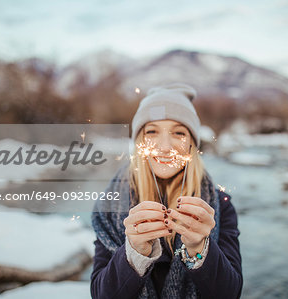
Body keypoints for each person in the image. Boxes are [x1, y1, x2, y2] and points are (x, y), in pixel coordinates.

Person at [91, 83, 243, 298]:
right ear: (138, 143)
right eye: (151, 131)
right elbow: (101, 295)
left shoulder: (219, 204)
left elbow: (230, 293)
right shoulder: (109, 205)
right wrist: (134, 252)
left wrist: (200, 248)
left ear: (192, 144)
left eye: (179, 132)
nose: (164, 146)